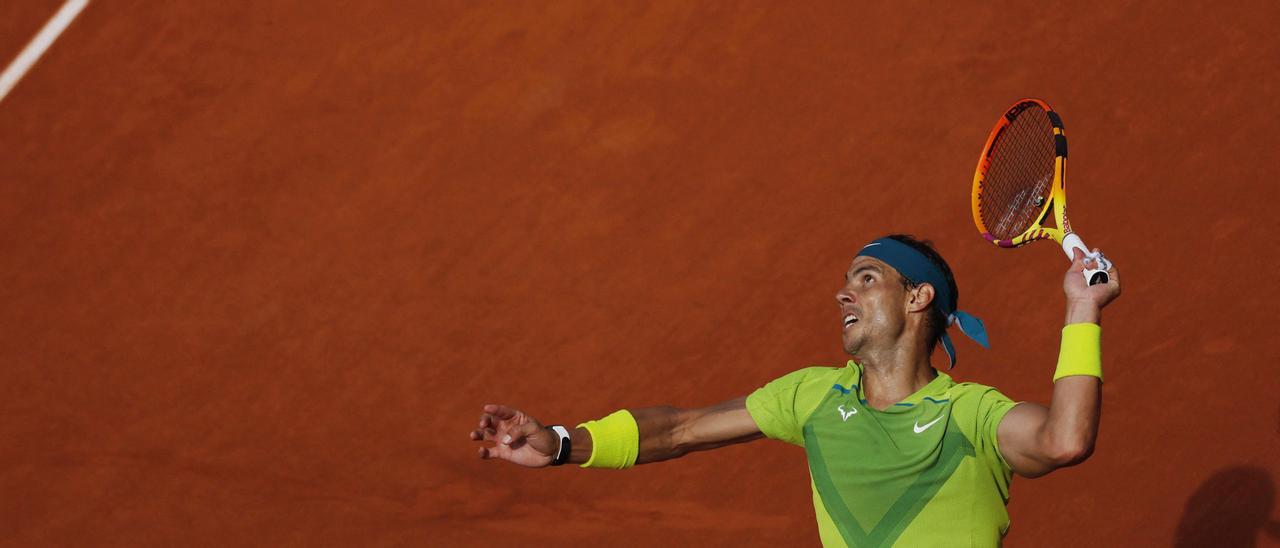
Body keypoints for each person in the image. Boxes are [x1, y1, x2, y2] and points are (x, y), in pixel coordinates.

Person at [468, 234, 1121, 547]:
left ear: (918, 298)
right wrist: (559, 443)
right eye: (847, 280)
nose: (845, 291)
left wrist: (1081, 312)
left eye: (867, 278)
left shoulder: (969, 415)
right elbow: (680, 429)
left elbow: (1065, 441)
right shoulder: (811, 396)